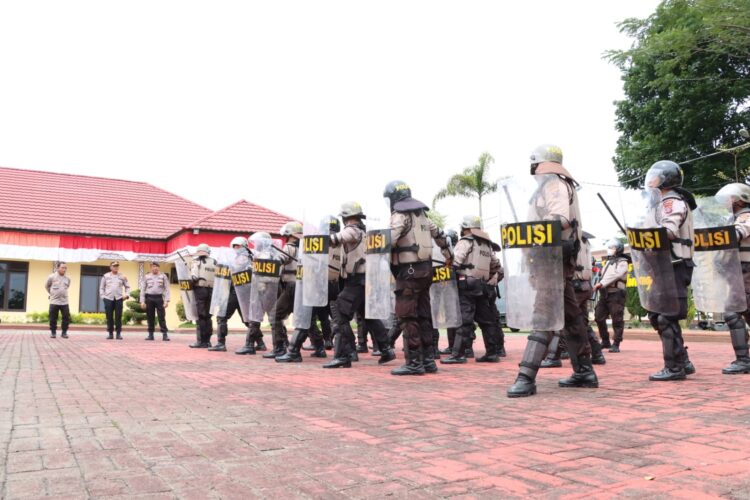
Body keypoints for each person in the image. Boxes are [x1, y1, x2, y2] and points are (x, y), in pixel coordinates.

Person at [507, 144, 598, 397]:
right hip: (550, 258)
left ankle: (526, 376)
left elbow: (558, 218)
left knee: (544, 315)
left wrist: (533, 238)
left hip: (552, 257)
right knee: (570, 319)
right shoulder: (550, 185)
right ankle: (584, 371)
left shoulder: (554, 184)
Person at [384, 181, 451, 375]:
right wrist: (449, 257)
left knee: (407, 316)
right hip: (425, 270)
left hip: (408, 272)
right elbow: (442, 237)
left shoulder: (399, 215)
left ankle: (414, 362)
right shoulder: (422, 216)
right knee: (423, 315)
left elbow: (390, 239)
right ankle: (428, 360)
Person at [323, 202, 396, 368]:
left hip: (357, 280)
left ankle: (343, 355)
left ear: (345, 217)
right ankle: (386, 349)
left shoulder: (352, 230)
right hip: (365, 280)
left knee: (341, 314)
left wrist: (320, 239)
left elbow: (337, 239)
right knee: (369, 316)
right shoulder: (364, 231)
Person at [643, 160, 696, 381]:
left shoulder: (671, 202)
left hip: (674, 265)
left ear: (666, 179)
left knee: (666, 316)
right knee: (657, 314)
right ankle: (682, 360)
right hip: (664, 266)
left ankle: (674, 368)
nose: (650, 179)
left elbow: (669, 231)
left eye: (656, 175)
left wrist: (648, 236)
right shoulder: (660, 202)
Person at [441, 215, 504, 365]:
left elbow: (456, 261)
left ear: (466, 228)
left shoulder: (465, 242)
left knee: (464, 320)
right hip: (482, 286)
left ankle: (458, 354)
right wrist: (491, 280)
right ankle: (492, 352)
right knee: (486, 321)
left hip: (466, 285)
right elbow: (496, 266)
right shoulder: (486, 245)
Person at [712, 183, 750, 374]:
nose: (727, 202)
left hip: (746, 270)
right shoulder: (732, 218)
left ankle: (743, 360)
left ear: (740, 200)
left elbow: (738, 233)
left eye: (730, 198)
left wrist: (718, 236)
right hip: (738, 272)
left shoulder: (746, 216)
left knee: (732, 313)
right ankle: (743, 360)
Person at [264, 222, 302, 359]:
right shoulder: (304, 247)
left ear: (289, 234)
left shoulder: (288, 247)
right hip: (301, 286)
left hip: (291, 285)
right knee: (305, 318)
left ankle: (279, 348)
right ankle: (320, 346)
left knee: (275, 315)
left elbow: (280, 259)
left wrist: (272, 259)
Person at [594, 239, 629, 352]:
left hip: (616, 293)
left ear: (618, 249)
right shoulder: (608, 262)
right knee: (599, 317)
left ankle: (616, 343)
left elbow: (616, 275)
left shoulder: (623, 262)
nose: (610, 250)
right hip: (604, 293)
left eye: (612, 248)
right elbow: (603, 276)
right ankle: (605, 341)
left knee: (617, 318)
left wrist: (601, 283)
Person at [190, 244, 216, 348]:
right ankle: (208, 341)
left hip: (200, 289)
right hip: (212, 290)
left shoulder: (196, 261)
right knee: (208, 316)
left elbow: (194, 277)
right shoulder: (215, 262)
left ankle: (200, 341)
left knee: (201, 316)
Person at [139, 262, 171, 341]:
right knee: (150, 317)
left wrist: (166, 300)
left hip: (159, 298)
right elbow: (142, 289)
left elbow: (167, 289)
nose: (155, 268)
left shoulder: (163, 276)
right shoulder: (147, 277)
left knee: (161, 316)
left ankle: (165, 334)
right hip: (149, 298)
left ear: (159, 267)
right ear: (151, 268)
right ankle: (150, 335)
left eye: (156, 266)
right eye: (153, 266)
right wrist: (142, 301)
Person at [100, 261, 131, 340]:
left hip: (118, 299)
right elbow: (101, 288)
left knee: (118, 316)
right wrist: (103, 297)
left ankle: (118, 334)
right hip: (108, 299)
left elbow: (127, 287)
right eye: (114, 266)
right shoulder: (105, 276)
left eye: (117, 266)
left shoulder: (122, 276)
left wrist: (127, 295)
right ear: (110, 267)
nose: (116, 267)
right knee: (109, 317)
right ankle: (110, 333)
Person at [45, 262, 71, 339]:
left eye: (65, 268)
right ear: (57, 268)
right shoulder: (51, 277)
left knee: (66, 318)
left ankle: (64, 333)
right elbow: (47, 286)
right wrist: (52, 293)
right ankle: (53, 333)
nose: (64, 269)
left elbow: (67, 286)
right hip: (54, 301)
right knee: (53, 318)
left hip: (64, 301)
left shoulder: (68, 278)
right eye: (62, 268)